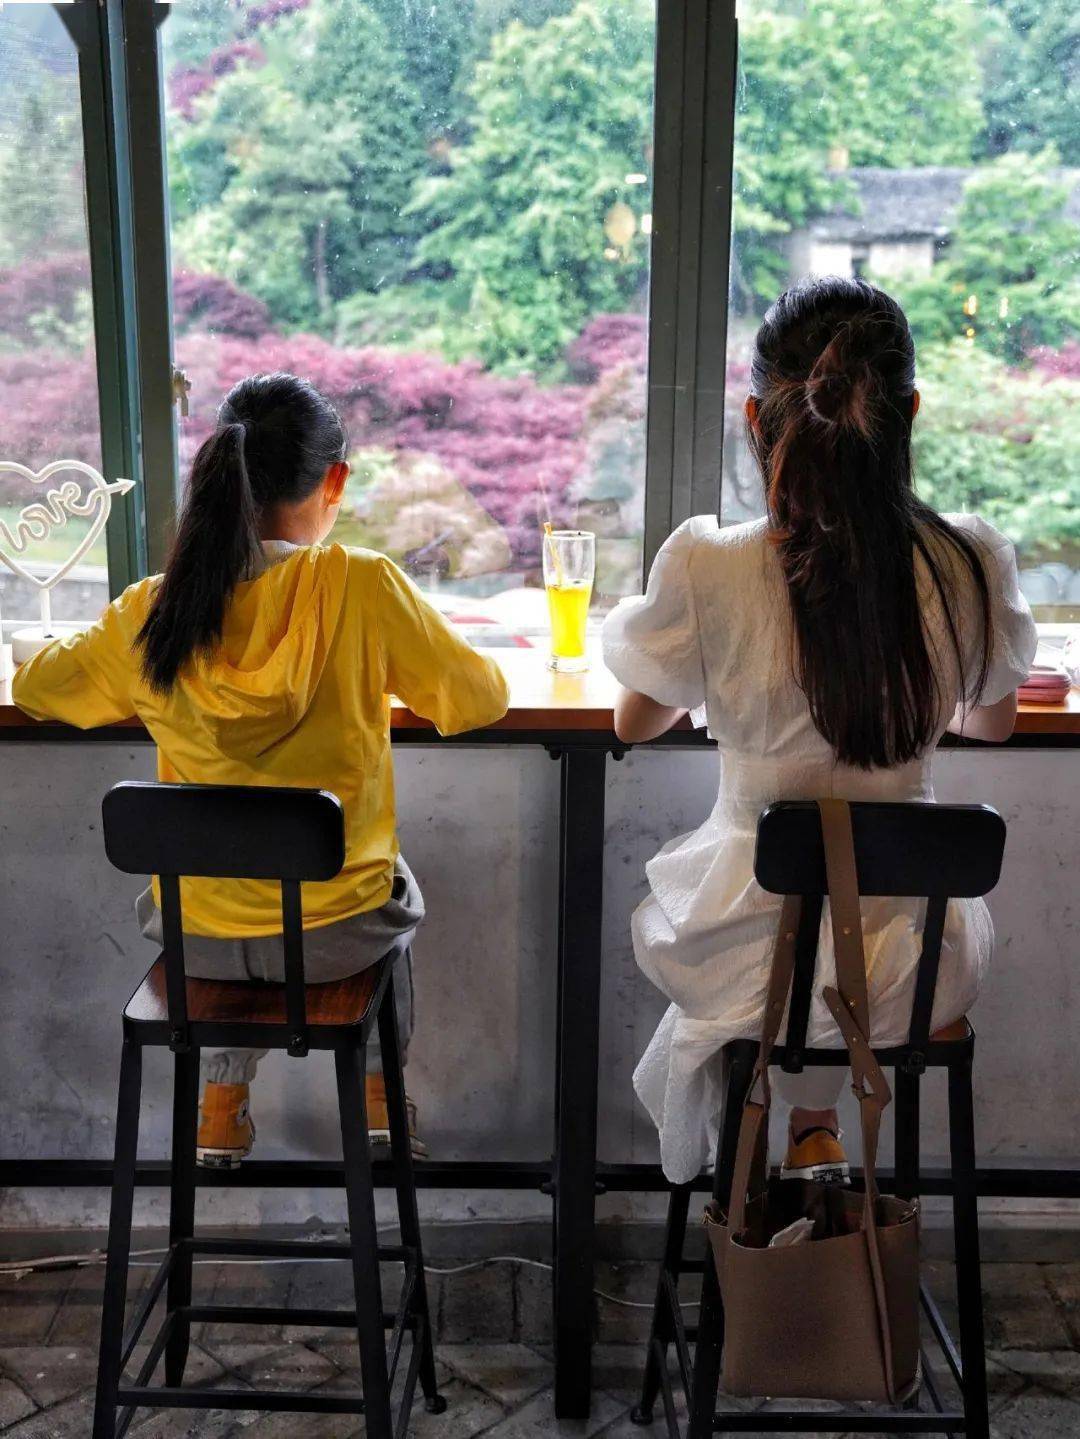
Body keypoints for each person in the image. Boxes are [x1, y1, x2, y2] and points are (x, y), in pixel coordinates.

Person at [602, 277, 1038, 1185]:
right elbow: (994, 722)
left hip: (747, 949)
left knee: (765, 966)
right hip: (911, 969)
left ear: (755, 420)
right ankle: (813, 1127)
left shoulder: (710, 562)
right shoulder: (967, 559)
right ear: (908, 412)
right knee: (839, 965)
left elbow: (633, 720)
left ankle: (773, 1147)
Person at [13, 373, 509, 1168]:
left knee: (239, 882)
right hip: (337, 939)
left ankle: (219, 1107)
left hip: (198, 940)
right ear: (334, 480)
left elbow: (40, 688)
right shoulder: (362, 585)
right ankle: (380, 1098)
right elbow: (480, 697)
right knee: (391, 885)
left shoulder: (153, 611)